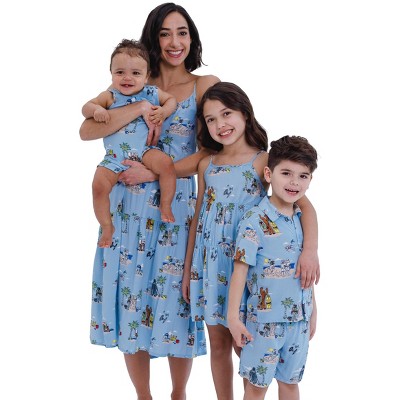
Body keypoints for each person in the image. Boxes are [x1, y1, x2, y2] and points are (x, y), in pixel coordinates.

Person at [80, 3, 220, 400]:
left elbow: (211, 152)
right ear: (153, 38)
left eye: (182, 33)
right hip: (126, 209)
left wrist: (156, 172)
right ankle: (144, 395)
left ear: (192, 38)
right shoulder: (133, 78)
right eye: (165, 33)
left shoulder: (204, 84)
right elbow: (87, 131)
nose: (174, 42)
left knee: (176, 299)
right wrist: (139, 108)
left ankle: (179, 394)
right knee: (132, 297)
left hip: (174, 207)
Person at [182, 83, 319, 400]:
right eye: (211, 119)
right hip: (213, 267)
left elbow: (305, 206)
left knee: (249, 344)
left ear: (244, 113)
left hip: (252, 267)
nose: (220, 124)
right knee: (218, 343)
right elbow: (198, 218)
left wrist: (310, 251)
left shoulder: (264, 161)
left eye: (226, 114)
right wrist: (189, 269)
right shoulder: (207, 164)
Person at [227, 135, 318, 400]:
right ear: (269, 174)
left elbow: (305, 271)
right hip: (263, 323)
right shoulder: (254, 220)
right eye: (286, 173)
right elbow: (240, 272)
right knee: (256, 388)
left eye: (303, 176)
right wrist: (233, 319)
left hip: (299, 321)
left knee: (290, 383)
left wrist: (312, 309)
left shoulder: (301, 219)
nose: (294, 182)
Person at [82, 39, 178, 248]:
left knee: (167, 165)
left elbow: (172, 101)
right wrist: (96, 110)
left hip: (145, 150)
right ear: (111, 73)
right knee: (98, 187)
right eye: (120, 72)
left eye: (135, 73)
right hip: (114, 157)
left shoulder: (152, 93)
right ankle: (107, 226)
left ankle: (165, 205)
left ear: (146, 76)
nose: (127, 78)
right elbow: (86, 107)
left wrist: (163, 111)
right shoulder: (110, 96)